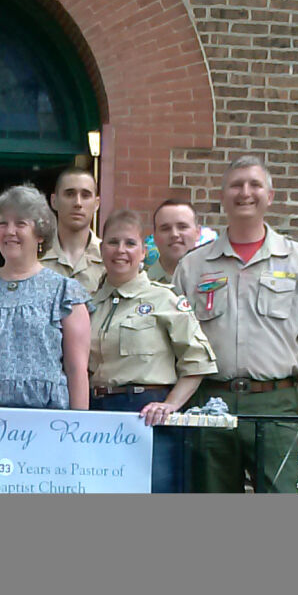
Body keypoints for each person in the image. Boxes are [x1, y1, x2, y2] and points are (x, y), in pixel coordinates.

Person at [173, 156, 298, 491]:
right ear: (222, 196)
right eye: (236, 185)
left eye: (254, 185)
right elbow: (174, 340)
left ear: (270, 196)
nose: (245, 193)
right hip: (210, 402)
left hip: (277, 404)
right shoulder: (193, 265)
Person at [88, 209, 217, 493]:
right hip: (98, 415)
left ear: (144, 251)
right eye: (112, 242)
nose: (121, 250)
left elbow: (198, 361)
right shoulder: (89, 304)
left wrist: (170, 405)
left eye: (130, 243)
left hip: (147, 416)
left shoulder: (164, 298)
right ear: (101, 248)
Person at [0, 184, 89, 416]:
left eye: (21, 223)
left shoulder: (65, 291)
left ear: (40, 234)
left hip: (48, 421)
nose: (9, 231)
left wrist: (78, 431)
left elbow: (77, 370)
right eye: (3, 223)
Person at [40, 167, 105, 294]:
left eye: (85, 195)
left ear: (96, 204)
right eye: (70, 194)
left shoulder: (110, 257)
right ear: (54, 201)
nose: (78, 203)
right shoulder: (34, 255)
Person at [147, 199, 200, 288]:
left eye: (182, 227)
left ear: (198, 233)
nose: (174, 234)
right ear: (155, 236)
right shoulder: (141, 284)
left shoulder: (215, 279)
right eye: (165, 228)